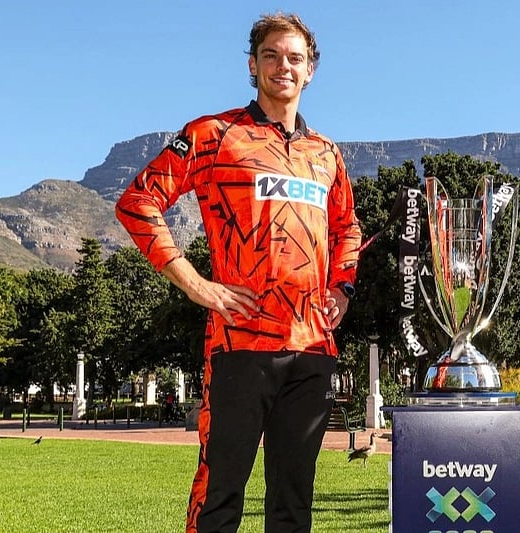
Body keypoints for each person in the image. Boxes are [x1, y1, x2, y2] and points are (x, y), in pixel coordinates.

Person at [115, 12, 361, 533]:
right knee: (221, 494)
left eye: (295, 58)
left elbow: (349, 230)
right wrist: (195, 284)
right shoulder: (215, 134)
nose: (283, 67)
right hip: (239, 345)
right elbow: (138, 200)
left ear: (311, 70)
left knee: (293, 504)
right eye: (271, 56)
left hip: (312, 348)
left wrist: (342, 288)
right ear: (252, 65)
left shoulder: (327, 155)